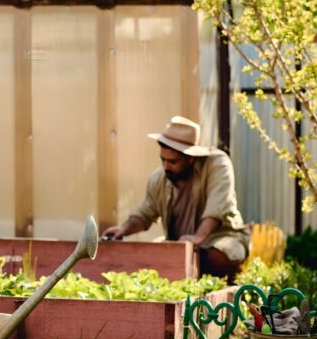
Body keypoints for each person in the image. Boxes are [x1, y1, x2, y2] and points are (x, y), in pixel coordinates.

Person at [101, 116, 250, 278]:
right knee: (147, 258)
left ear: (191, 158)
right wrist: (123, 229)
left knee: (216, 258)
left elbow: (216, 207)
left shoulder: (217, 165)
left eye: (172, 161)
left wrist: (197, 238)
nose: (166, 166)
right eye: (162, 160)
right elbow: (145, 213)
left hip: (220, 239)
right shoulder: (159, 178)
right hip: (181, 246)